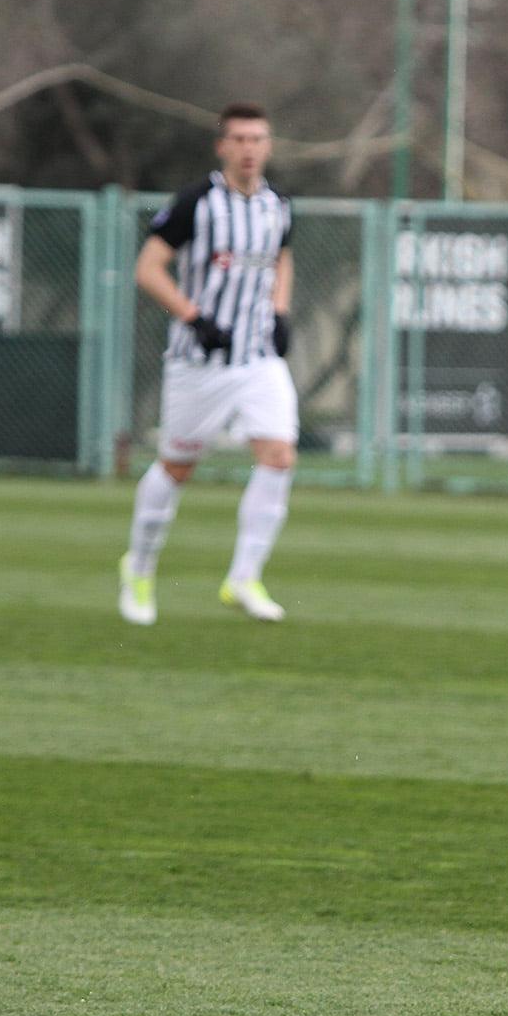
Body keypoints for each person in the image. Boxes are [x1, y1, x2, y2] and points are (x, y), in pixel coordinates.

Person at [119, 101, 297, 625]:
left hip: (258, 357)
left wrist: (280, 310)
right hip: (199, 361)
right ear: (222, 146)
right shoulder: (196, 203)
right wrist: (193, 317)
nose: (249, 149)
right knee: (178, 467)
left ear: (268, 146)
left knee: (279, 456)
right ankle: (139, 566)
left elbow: (282, 257)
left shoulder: (278, 205)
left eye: (257, 139)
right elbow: (148, 269)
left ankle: (243, 577)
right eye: (239, 139)